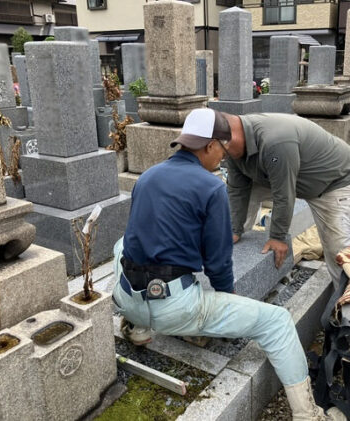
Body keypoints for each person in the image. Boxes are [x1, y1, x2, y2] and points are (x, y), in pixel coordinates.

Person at [111, 108, 329, 421]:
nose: (224, 159)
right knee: (278, 322)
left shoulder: (147, 178)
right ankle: (309, 415)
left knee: (123, 243)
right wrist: (226, 300)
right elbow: (217, 264)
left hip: (126, 297)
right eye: (223, 151)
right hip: (174, 309)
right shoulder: (211, 187)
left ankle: (137, 327)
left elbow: (139, 239)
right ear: (211, 146)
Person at [221, 112, 350, 283]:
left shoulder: (275, 141)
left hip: (335, 182)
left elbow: (284, 194)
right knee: (247, 195)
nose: (220, 157)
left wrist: (277, 237)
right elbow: (237, 190)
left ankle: (347, 301)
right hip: (294, 176)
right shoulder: (231, 149)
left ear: (229, 140)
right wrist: (234, 229)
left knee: (338, 252)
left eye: (218, 151)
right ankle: (238, 238)